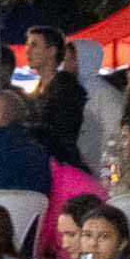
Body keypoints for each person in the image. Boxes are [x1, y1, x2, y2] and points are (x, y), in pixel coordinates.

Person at [25, 25, 88, 169]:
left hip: (59, 165)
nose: (28, 51)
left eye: (34, 45)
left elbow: (62, 132)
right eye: (28, 45)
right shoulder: (38, 90)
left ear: (52, 51)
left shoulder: (67, 90)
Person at [72, 41, 127, 181]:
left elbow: (114, 137)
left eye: (71, 58)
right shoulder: (71, 90)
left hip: (98, 173)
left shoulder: (106, 94)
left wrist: (110, 177)